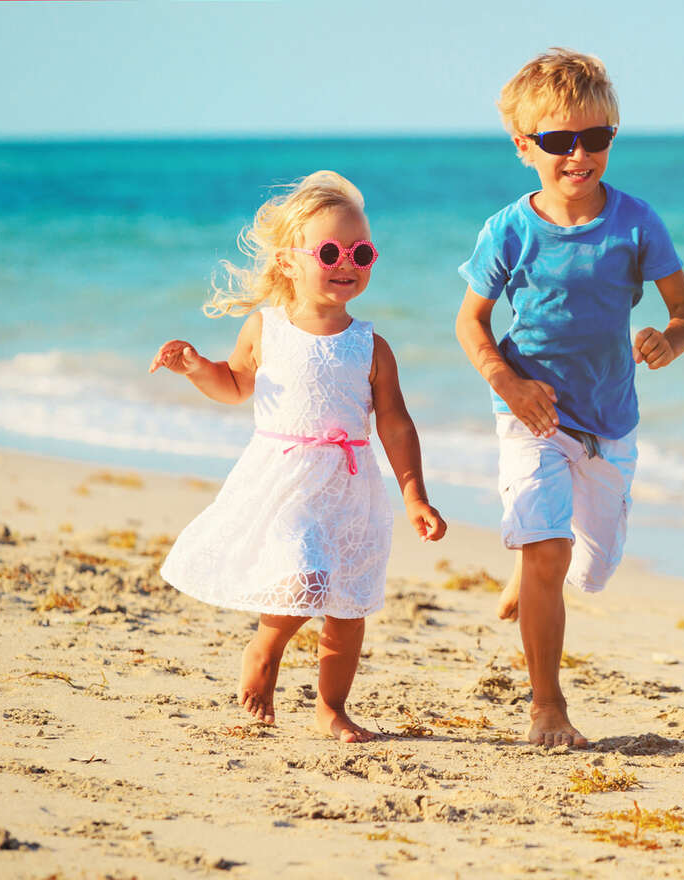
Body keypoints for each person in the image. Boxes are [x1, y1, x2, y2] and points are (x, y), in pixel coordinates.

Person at [455, 49, 684, 748]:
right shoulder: (510, 229)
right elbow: (470, 321)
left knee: (590, 571)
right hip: (530, 412)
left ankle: (532, 562)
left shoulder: (635, 223)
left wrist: (670, 339)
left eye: (595, 139)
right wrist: (506, 381)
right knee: (548, 551)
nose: (579, 155)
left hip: (609, 425)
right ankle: (547, 706)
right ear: (523, 146)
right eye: (560, 141)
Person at [150, 170, 446, 743]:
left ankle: (331, 707)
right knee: (304, 577)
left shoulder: (371, 344)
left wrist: (414, 494)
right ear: (289, 262)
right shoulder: (268, 327)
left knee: (348, 606)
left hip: (352, 488)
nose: (348, 262)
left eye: (362, 252)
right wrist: (195, 367)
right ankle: (267, 647)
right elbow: (235, 384)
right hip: (286, 480)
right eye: (331, 251)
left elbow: (394, 421)